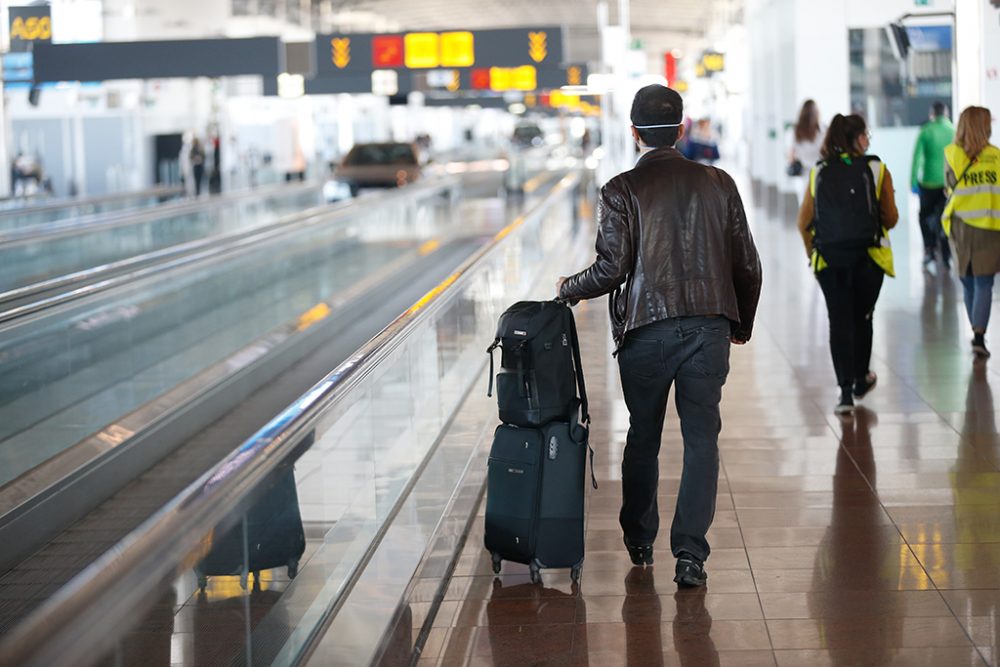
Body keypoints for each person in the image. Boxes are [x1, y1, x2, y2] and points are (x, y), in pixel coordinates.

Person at [556, 85, 762, 588]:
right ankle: (691, 554)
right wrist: (740, 325)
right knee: (701, 439)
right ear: (681, 128)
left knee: (643, 435)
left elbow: (611, 269)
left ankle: (639, 537)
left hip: (646, 330)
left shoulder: (621, 189)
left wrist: (569, 289)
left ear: (633, 133)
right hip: (709, 325)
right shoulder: (719, 182)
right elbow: (748, 264)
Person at [797, 114, 899, 414]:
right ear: (856, 139)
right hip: (869, 258)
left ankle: (844, 394)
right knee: (862, 317)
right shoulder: (877, 168)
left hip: (829, 260)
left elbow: (803, 222)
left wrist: (814, 255)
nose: (868, 139)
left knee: (839, 321)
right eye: (866, 134)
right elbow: (890, 217)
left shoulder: (819, 171)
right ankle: (860, 378)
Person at [942, 106, 1000, 358]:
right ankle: (978, 335)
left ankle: (977, 332)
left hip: (961, 225)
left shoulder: (952, 154)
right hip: (990, 226)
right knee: (984, 281)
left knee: (967, 280)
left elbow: (948, 188)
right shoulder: (997, 156)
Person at [912, 101, 955, 267]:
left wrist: (913, 181)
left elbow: (917, 158)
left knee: (924, 216)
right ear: (946, 113)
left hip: (929, 182)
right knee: (947, 217)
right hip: (948, 183)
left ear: (932, 114)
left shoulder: (926, 131)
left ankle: (929, 248)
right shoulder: (954, 131)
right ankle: (947, 252)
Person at [789, 100, 825, 202]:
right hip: (820, 173)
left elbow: (791, 156)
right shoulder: (822, 130)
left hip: (804, 176)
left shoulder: (796, 131)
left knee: (805, 208)